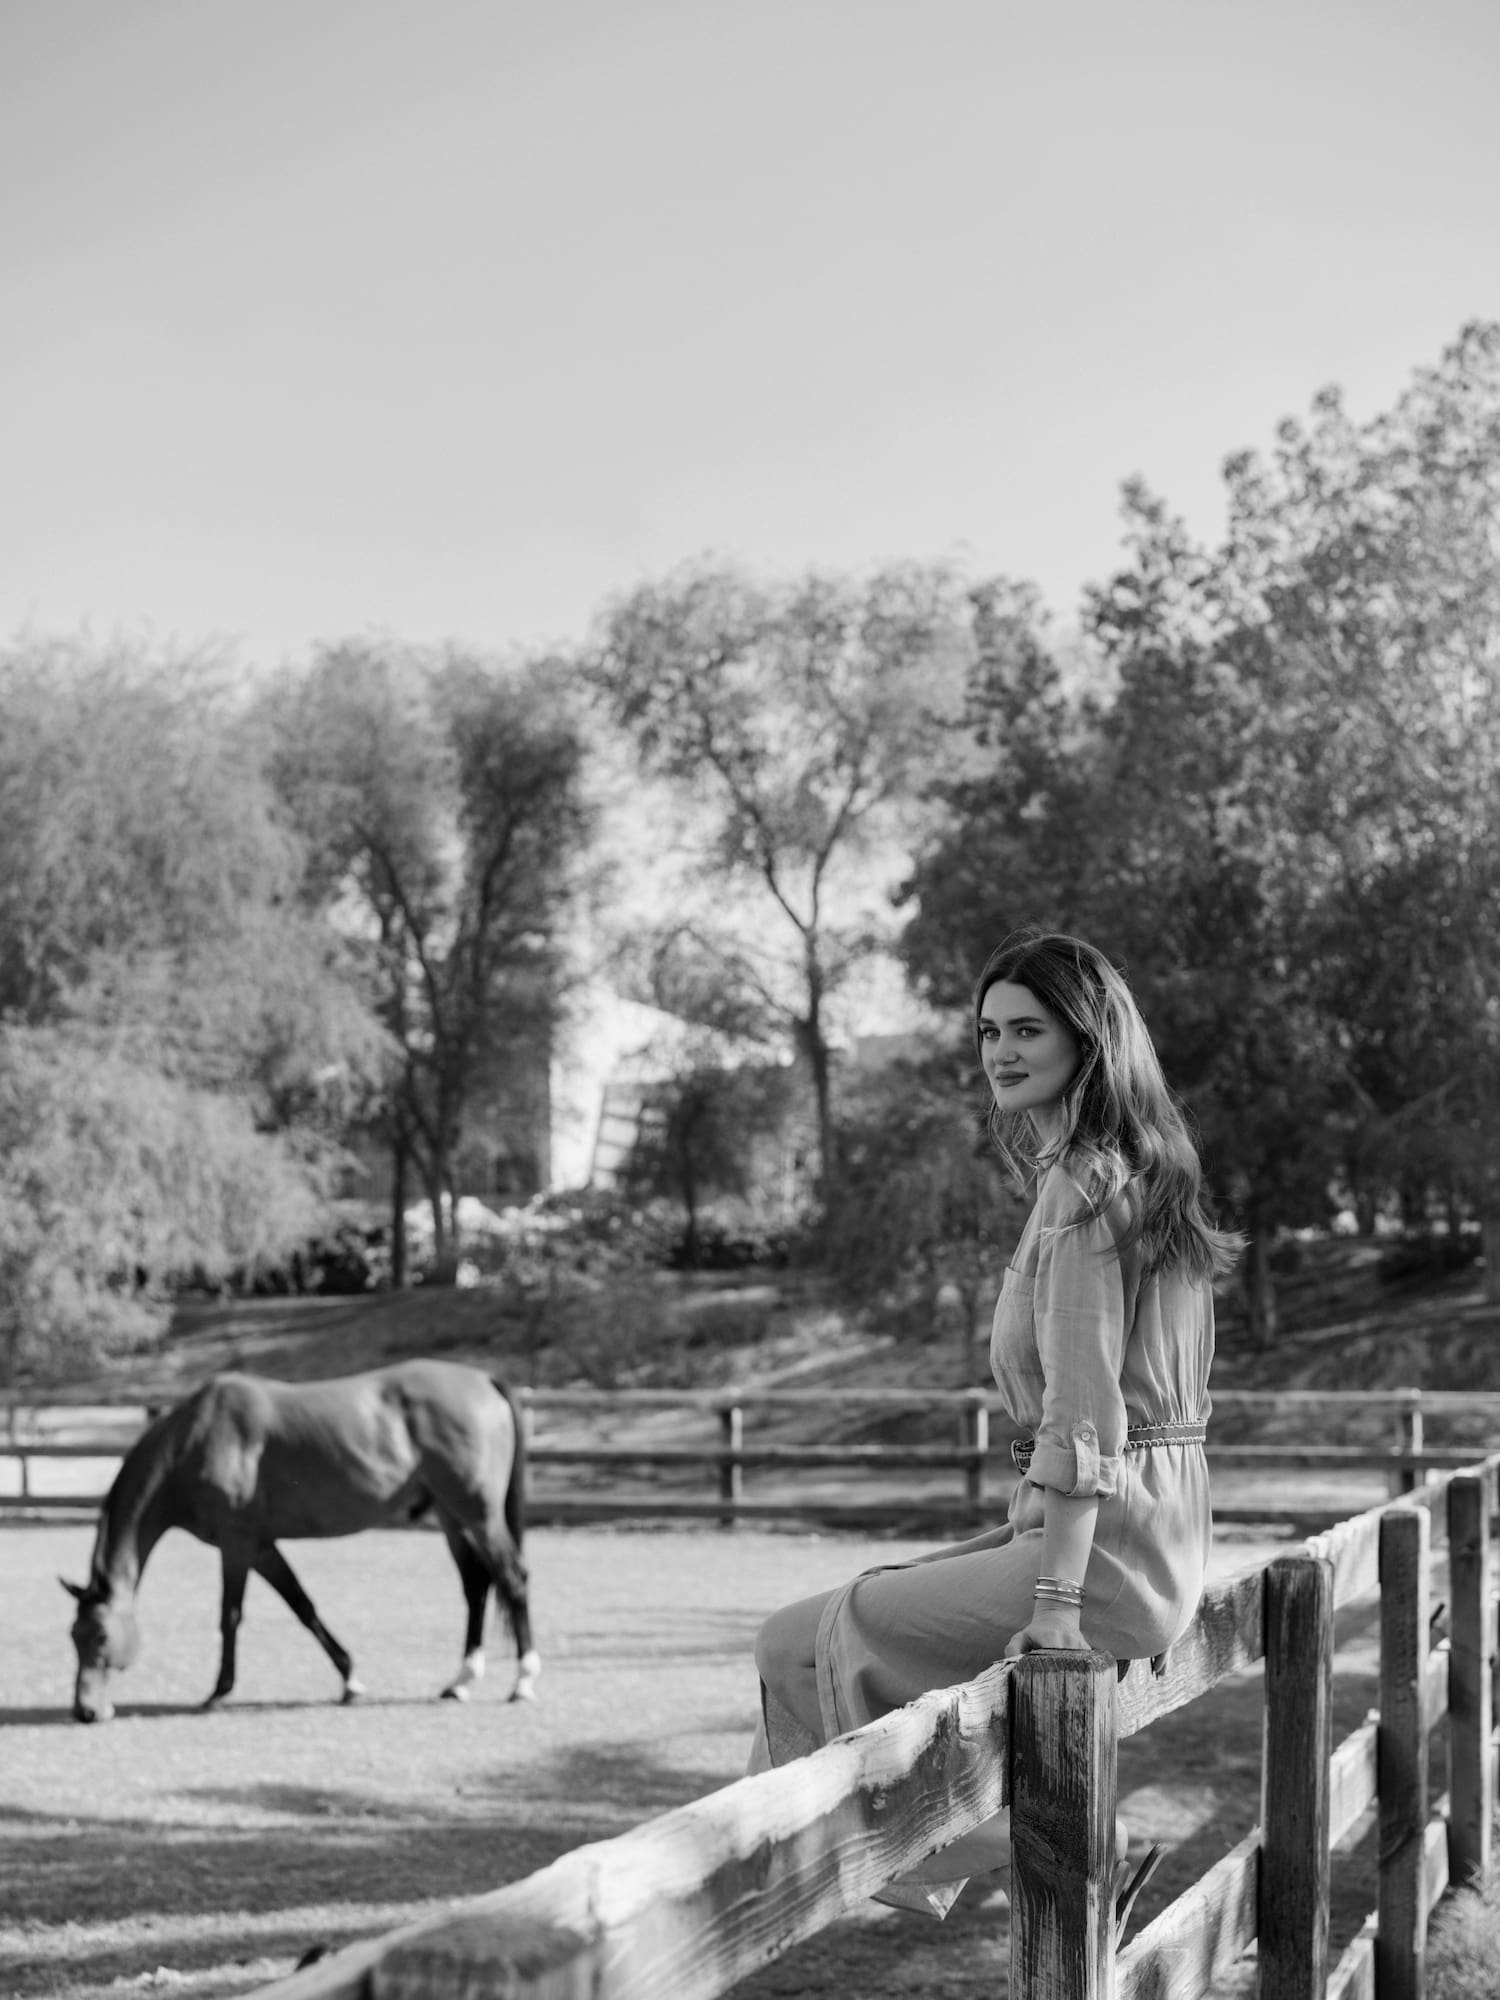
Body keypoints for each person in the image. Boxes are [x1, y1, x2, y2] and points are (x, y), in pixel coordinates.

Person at [748, 928, 1243, 1925]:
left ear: (1088, 1040)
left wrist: (1056, 1603)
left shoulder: (1085, 1186)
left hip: (1103, 1548)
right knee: (816, 1633)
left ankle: (1051, 1837)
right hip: (1139, 1534)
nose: (1001, 1052)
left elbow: (1084, 1413)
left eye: (1028, 1029)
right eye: (988, 1032)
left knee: (811, 1637)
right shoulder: (1138, 1169)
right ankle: (1022, 1873)